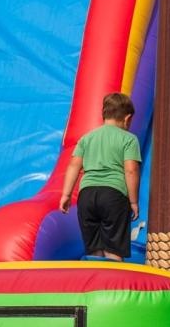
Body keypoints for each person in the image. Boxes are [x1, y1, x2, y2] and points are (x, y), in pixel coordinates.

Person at [58, 93, 142, 260]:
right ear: (127, 119)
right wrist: (133, 201)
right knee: (113, 249)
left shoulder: (87, 138)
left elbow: (74, 165)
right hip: (113, 195)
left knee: (94, 249)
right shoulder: (129, 139)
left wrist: (66, 195)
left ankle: (96, 282)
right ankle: (114, 283)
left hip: (87, 196)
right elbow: (131, 170)